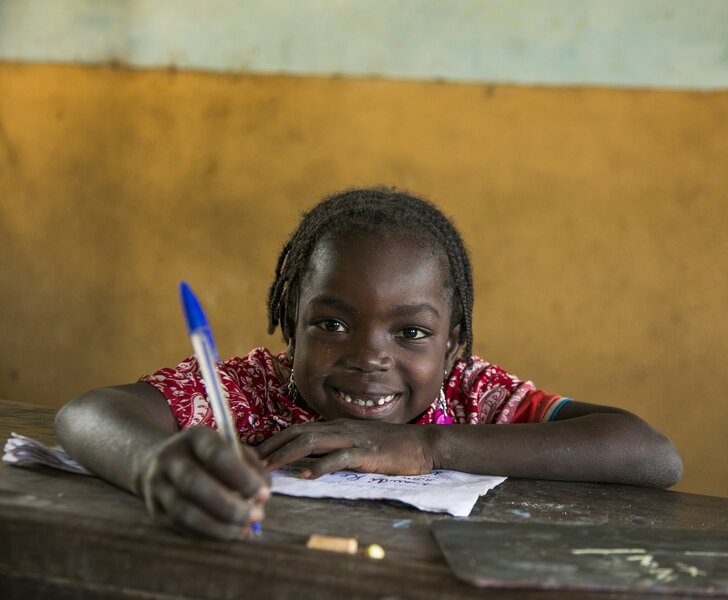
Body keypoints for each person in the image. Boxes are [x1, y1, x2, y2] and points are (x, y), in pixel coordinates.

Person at [55, 187, 683, 540]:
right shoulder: (250, 390)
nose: (369, 357)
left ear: (452, 344)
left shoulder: (469, 397)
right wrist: (150, 465)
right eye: (330, 324)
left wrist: (429, 448)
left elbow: (650, 454)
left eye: (411, 331)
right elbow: (89, 414)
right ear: (287, 325)